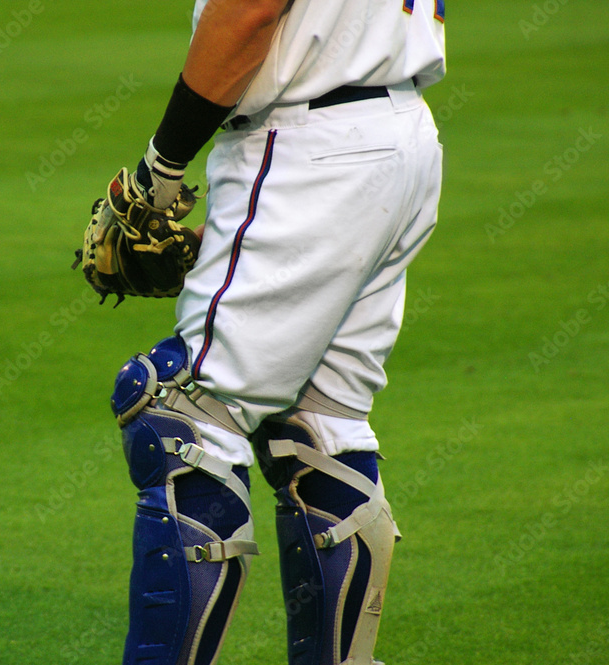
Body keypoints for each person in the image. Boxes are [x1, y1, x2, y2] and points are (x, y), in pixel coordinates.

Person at [106, 1, 445, 664]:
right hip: (399, 136)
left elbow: (248, 9)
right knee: (321, 434)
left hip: (305, 144)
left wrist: (159, 172)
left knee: (181, 419)